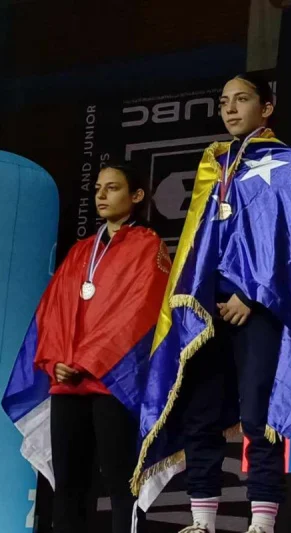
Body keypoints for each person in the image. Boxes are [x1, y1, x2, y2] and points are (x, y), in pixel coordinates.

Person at [131, 72, 291, 533]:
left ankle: (261, 521)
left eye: (242, 99)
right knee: (200, 412)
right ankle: (202, 520)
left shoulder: (284, 163)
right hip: (207, 310)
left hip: (258, 307)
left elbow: (290, 244)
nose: (231, 109)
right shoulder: (214, 164)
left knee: (258, 414)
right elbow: (197, 245)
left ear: (266, 107)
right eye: (224, 102)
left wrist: (252, 296)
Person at [2, 163, 170, 533]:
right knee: (68, 485)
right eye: (97, 188)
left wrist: (88, 360)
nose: (101, 195)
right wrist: (57, 361)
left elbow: (139, 314)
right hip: (68, 383)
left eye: (113, 188)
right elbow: (53, 311)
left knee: (120, 481)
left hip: (114, 382)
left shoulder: (148, 247)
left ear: (136, 195)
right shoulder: (80, 252)